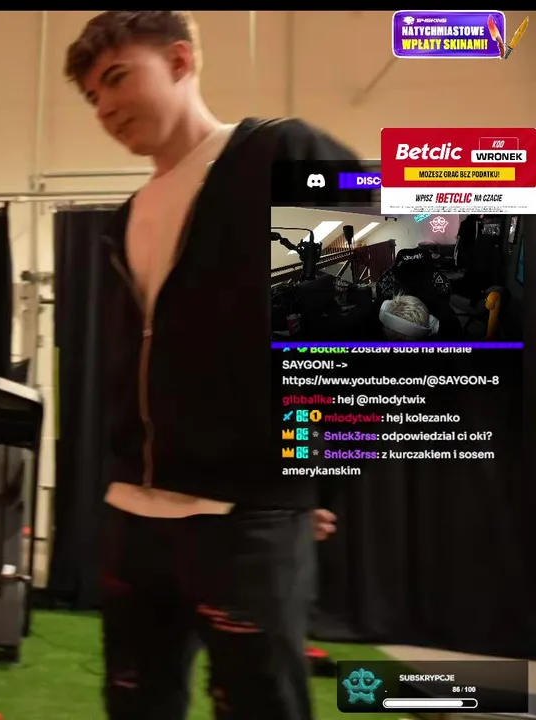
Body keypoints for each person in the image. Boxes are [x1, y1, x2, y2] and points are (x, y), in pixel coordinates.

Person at [62, 11, 363, 720]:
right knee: (136, 705)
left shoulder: (284, 153)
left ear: (179, 60)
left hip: (245, 518)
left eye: (117, 78)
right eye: (93, 97)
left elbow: (366, 325)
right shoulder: (124, 218)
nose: (105, 108)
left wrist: (323, 478)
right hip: (132, 513)